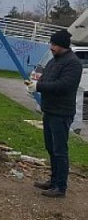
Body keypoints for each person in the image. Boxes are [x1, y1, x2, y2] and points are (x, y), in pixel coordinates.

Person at [26, 30, 82, 198]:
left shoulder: (73, 64)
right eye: (51, 44)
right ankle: (53, 180)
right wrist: (35, 84)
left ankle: (60, 187)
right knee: (51, 148)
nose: (51, 47)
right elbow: (45, 79)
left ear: (63, 45)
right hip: (49, 110)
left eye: (54, 44)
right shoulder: (53, 61)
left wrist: (40, 87)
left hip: (61, 113)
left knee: (60, 150)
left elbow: (63, 85)